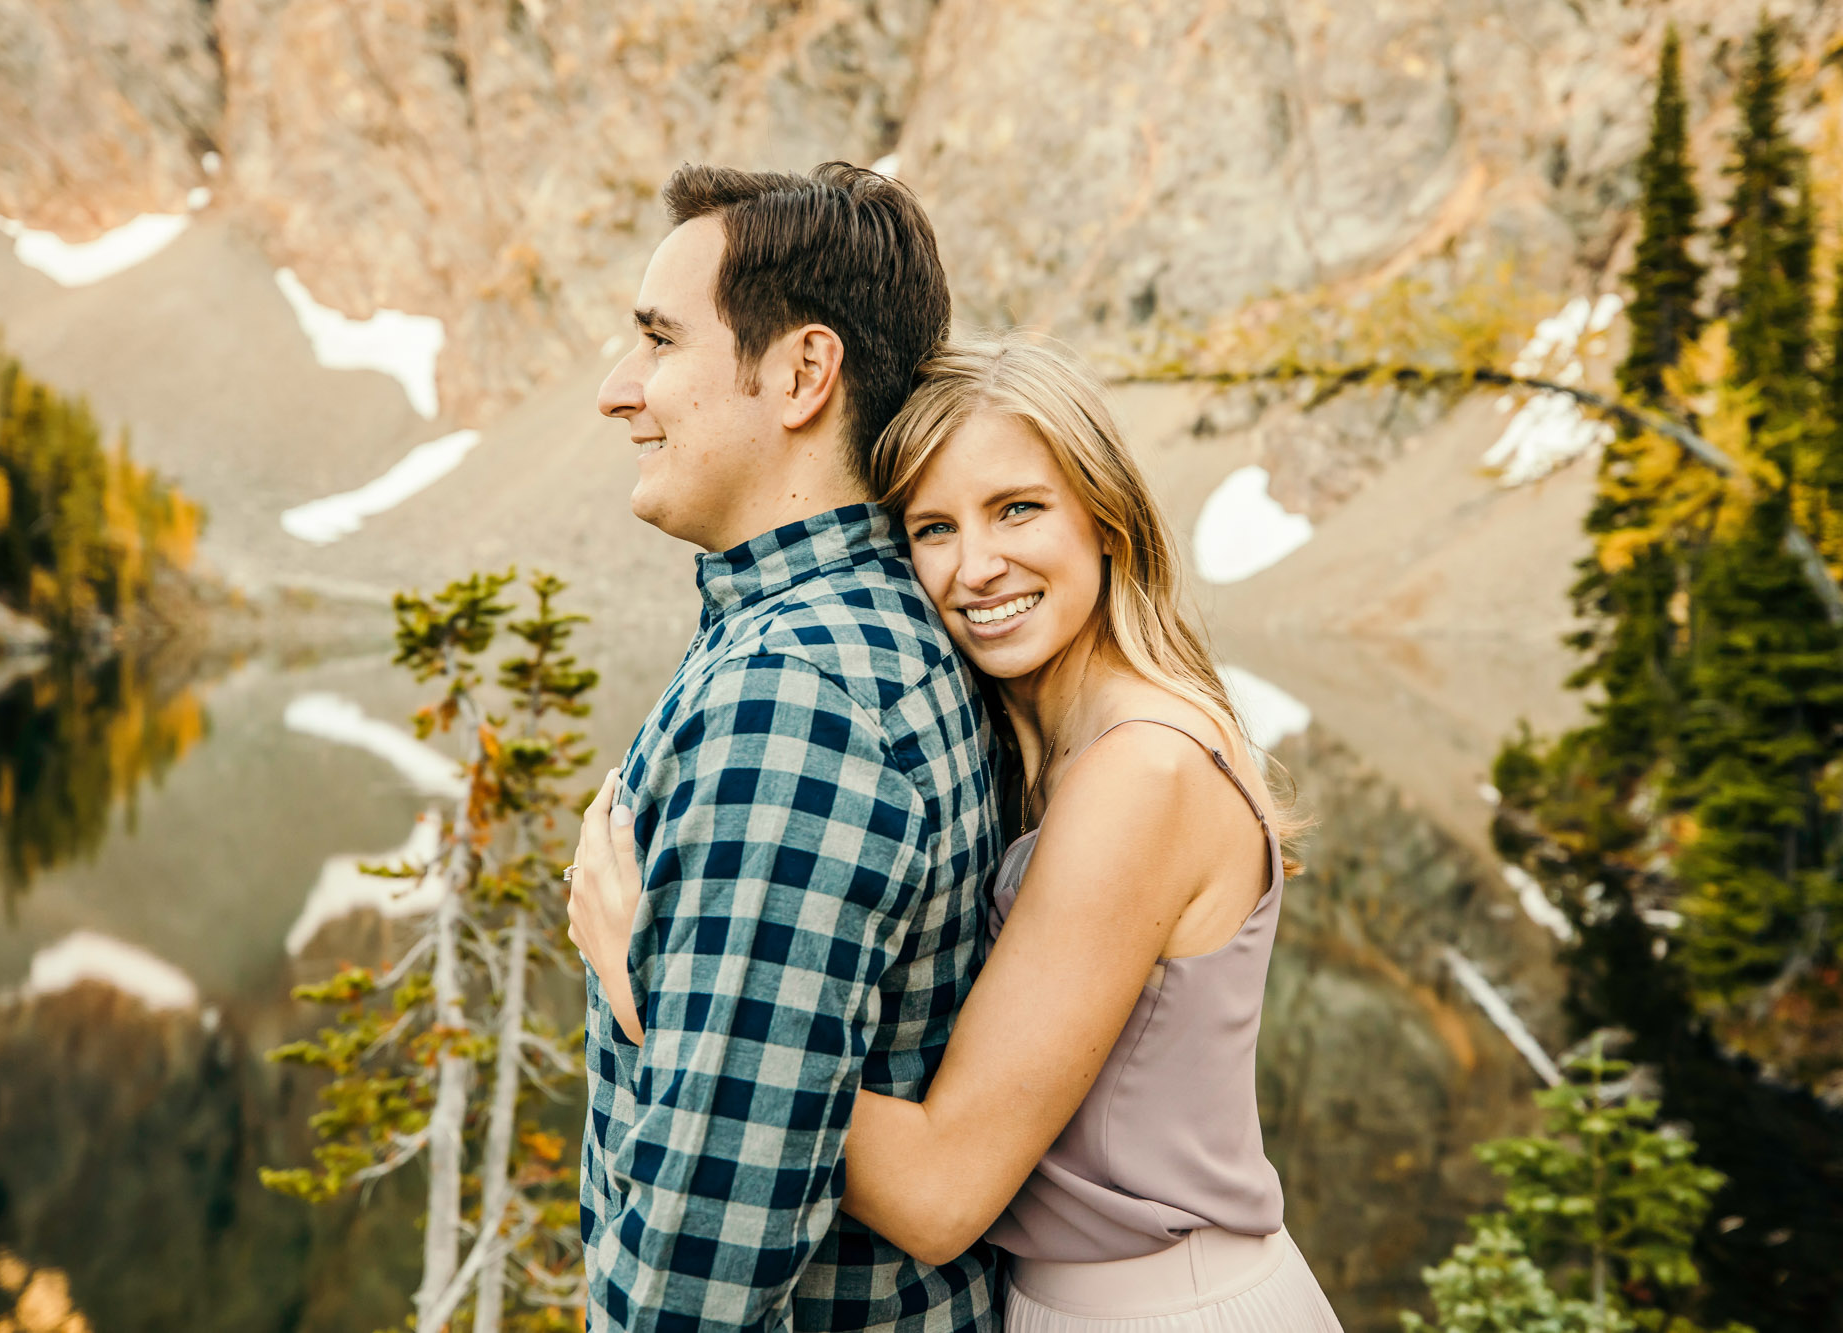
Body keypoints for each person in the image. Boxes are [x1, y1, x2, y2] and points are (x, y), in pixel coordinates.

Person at [576, 331, 1344, 1330]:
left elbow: (941, 1191)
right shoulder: (1046, 739)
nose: (976, 567)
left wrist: (664, 999)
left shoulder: (1140, 771)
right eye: (931, 528)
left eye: (1016, 508)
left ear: (1104, 518)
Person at [567, 162, 1005, 1332]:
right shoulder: (881, 625)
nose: (619, 391)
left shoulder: (790, 695)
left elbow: (699, 1280)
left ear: (803, 373)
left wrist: (633, 980)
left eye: (658, 340)